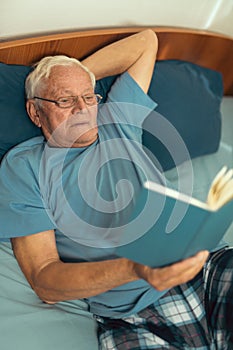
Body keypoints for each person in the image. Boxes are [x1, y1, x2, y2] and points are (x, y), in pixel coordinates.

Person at [0, 29, 232, 349]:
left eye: (88, 97)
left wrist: (77, 76)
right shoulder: (24, 166)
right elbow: (45, 281)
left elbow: (146, 42)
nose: (82, 110)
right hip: (132, 312)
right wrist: (136, 268)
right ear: (34, 112)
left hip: (206, 266)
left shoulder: (117, 116)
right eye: (65, 101)